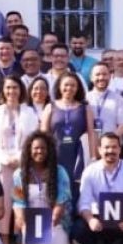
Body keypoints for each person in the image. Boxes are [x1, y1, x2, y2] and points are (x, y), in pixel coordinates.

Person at [0, 76, 39, 244]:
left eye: (15, 87)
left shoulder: (30, 112)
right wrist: (5, 158)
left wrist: (19, 158)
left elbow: (33, 139)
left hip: (23, 164)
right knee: (4, 205)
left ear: (21, 90)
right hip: (1, 164)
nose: (11, 91)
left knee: (22, 203)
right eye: (8, 88)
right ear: (3, 90)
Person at [12, 131, 73, 244]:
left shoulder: (60, 172)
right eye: (36, 148)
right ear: (29, 150)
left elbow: (62, 200)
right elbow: (18, 201)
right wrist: (21, 220)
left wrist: (53, 219)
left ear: (49, 150)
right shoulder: (19, 174)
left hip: (54, 221)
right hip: (30, 222)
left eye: (43, 148)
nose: (39, 151)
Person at [41, 73, 96, 209]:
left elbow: (91, 133)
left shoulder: (85, 107)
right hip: (55, 155)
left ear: (78, 88)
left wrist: (94, 156)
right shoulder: (50, 107)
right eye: (66, 85)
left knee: (75, 188)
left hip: (77, 156)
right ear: (59, 87)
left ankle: (72, 222)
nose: (69, 88)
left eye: (73, 85)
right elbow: (43, 134)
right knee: (55, 186)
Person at [87, 63, 123, 146]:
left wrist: (108, 142)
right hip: (90, 147)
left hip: (111, 148)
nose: (101, 77)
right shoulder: (85, 99)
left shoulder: (119, 99)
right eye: (97, 74)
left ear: (110, 76)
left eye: (104, 74)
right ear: (91, 78)